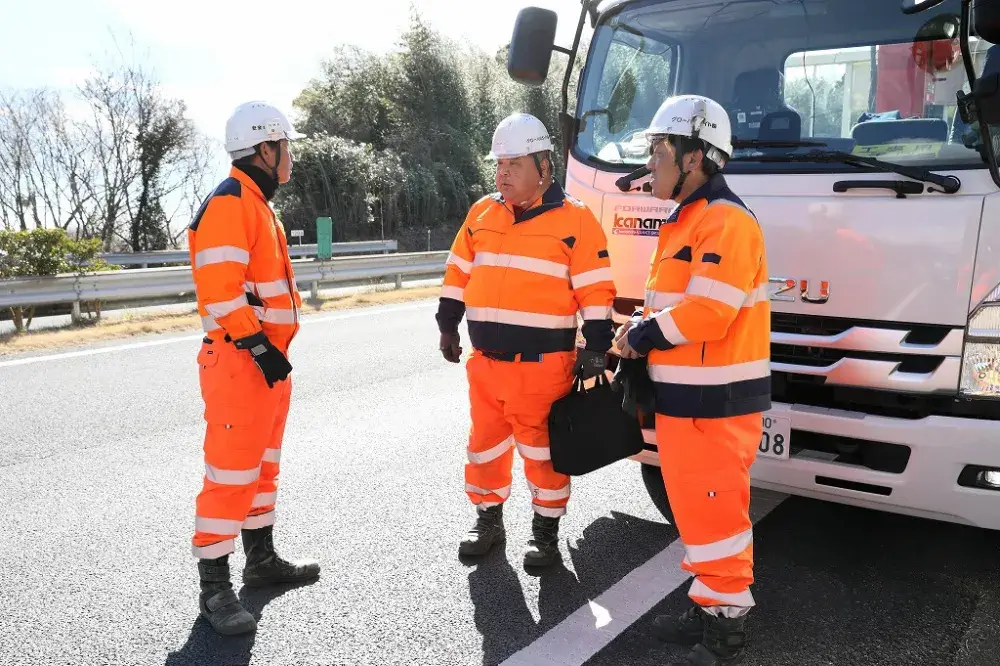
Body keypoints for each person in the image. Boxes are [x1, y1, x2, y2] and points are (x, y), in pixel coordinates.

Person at [614, 95, 770, 666]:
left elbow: (711, 312)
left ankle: (727, 629)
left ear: (696, 157)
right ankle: (711, 605)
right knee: (698, 514)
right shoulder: (688, 219)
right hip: (688, 401)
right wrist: (642, 327)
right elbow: (682, 305)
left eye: (659, 151)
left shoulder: (726, 221)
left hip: (715, 405)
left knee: (717, 514)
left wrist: (643, 336)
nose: (649, 162)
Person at [436, 112, 617, 568]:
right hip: (487, 365)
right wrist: (447, 321)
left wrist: (597, 347)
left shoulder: (574, 220)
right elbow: (458, 270)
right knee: (484, 448)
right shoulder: (482, 212)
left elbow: (595, 289)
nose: (503, 174)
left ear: (544, 165)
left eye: (514, 164)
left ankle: (545, 534)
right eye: (499, 164)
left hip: (543, 365)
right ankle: (487, 521)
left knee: (542, 453)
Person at [187, 100, 320, 635]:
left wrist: (270, 353)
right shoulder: (231, 201)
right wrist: (260, 347)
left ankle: (261, 559)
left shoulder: (256, 203)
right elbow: (220, 287)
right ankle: (214, 588)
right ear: (266, 149)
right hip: (243, 360)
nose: (290, 156)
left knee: (262, 467)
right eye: (286, 146)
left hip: (264, 361)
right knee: (231, 473)